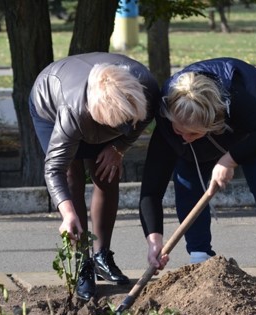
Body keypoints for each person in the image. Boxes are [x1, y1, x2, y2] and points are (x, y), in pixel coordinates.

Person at [139, 57, 256, 286]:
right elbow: (151, 190)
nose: (185, 139)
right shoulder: (168, 123)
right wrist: (154, 239)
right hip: (202, 124)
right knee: (187, 185)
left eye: (192, 134)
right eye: (179, 130)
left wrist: (229, 160)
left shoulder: (237, 101)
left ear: (213, 124)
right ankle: (199, 257)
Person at [29, 52, 159, 300]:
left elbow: (141, 122)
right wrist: (67, 215)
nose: (118, 131)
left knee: (107, 173)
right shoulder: (72, 112)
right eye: (111, 128)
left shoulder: (147, 89)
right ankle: (82, 263)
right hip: (51, 104)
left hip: (105, 104)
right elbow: (53, 168)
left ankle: (101, 257)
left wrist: (118, 147)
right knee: (72, 176)